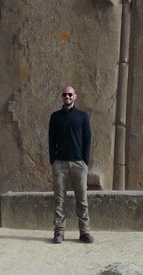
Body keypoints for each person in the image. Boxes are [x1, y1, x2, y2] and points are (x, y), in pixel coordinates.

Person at [48, 84, 93, 244]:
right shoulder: (55, 117)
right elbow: (51, 139)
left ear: (75, 96)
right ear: (62, 97)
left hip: (78, 163)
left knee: (82, 199)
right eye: (64, 95)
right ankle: (59, 232)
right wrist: (53, 159)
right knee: (59, 199)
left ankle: (84, 232)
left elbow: (87, 139)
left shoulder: (82, 116)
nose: (67, 97)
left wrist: (85, 161)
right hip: (59, 163)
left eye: (70, 94)